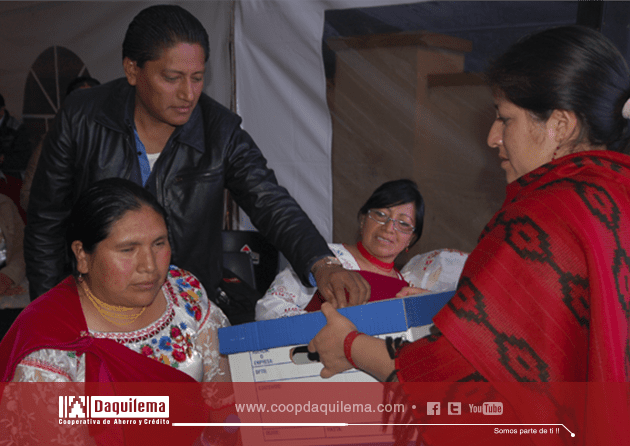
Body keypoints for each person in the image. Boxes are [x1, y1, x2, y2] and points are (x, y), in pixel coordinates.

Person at [308, 26, 629, 445]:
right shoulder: (616, 199)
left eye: (505, 118)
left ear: (561, 125)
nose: (493, 137)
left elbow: (459, 385)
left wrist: (350, 346)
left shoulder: (541, 220)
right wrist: (460, 312)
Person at [24, 5, 368, 323]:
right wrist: (51, 312)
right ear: (132, 70)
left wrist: (322, 263)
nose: (188, 94)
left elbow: (270, 202)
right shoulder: (82, 118)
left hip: (182, 309)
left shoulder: (220, 131)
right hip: (96, 305)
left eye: (197, 77)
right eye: (172, 78)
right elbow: (46, 223)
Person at [1, 177, 230, 383]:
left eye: (159, 244)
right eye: (128, 249)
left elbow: (225, 396)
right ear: (82, 255)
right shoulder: (50, 339)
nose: (150, 266)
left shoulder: (183, 291)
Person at [255, 179, 468, 320]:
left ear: (410, 240)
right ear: (363, 219)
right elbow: (268, 308)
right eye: (381, 215)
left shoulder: (409, 285)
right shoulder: (324, 258)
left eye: (403, 224)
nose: (389, 228)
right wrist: (323, 323)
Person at [0, 93, 31, 179]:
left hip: (10, 177)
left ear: (2, 109)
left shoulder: (17, 128)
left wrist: (3, 159)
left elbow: (24, 160)